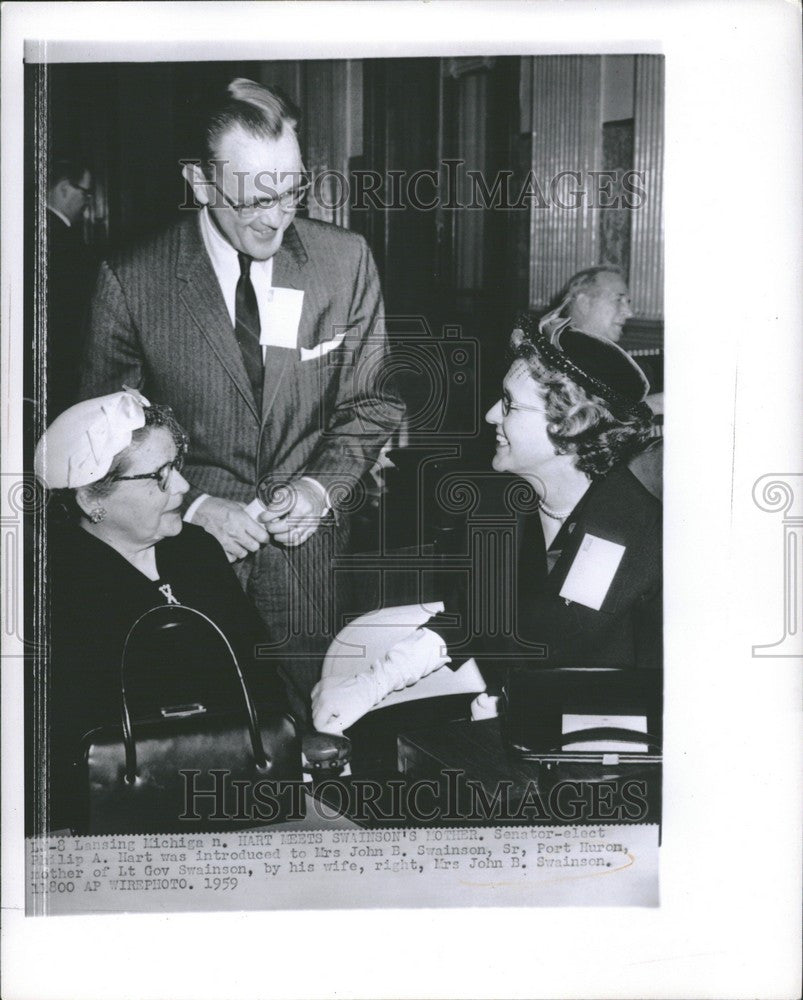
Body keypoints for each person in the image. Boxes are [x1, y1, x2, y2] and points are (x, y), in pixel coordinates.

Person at [79, 78, 405, 718]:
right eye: (256, 196)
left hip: (307, 561)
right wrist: (197, 505)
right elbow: (102, 443)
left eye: (291, 189)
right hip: (181, 552)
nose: (278, 213)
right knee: (204, 739)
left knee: (316, 730)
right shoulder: (133, 280)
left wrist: (317, 489)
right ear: (201, 184)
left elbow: (373, 404)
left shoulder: (346, 262)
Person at [312, 317, 661, 734]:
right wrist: (373, 681)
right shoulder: (500, 507)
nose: (491, 413)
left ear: (570, 427)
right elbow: (472, 614)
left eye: (510, 404)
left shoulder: (641, 530)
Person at [32, 388, 289, 832]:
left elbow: (259, 672)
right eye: (160, 476)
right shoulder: (51, 586)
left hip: (236, 789)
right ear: (92, 499)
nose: (185, 487)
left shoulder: (196, 549)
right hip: (117, 813)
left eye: (178, 468)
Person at [44, 155, 97, 418]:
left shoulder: (25, 229)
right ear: (64, 188)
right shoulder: (66, 244)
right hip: (60, 366)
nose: (87, 204)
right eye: (85, 193)